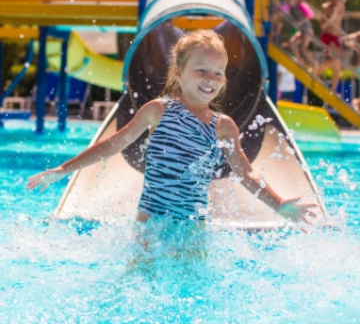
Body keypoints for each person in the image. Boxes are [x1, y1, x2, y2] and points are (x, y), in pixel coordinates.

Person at [27, 29, 316, 226]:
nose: (210, 78)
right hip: (149, 224)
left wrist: (279, 206)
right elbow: (114, 143)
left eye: (218, 73)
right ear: (179, 73)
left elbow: (245, 173)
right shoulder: (158, 110)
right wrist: (63, 170)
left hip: (192, 231)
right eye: (201, 70)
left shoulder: (223, 126)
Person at [318, 0, 347, 93]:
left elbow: (338, 25)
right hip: (327, 37)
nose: (340, 2)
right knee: (336, 59)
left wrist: (341, 37)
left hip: (336, 38)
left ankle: (332, 90)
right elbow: (323, 26)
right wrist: (333, 15)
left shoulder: (342, 7)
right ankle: (317, 72)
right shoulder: (326, 7)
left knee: (338, 65)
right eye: (338, 0)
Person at [277, 0, 315, 68]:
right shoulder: (290, 7)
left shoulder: (301, 6)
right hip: (301, 31)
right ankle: (300, 61)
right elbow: (280, 10)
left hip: (308, 30)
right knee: (292, 43)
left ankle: (314, 64)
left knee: (303, 48)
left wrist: (299, 22)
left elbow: (309, 16)